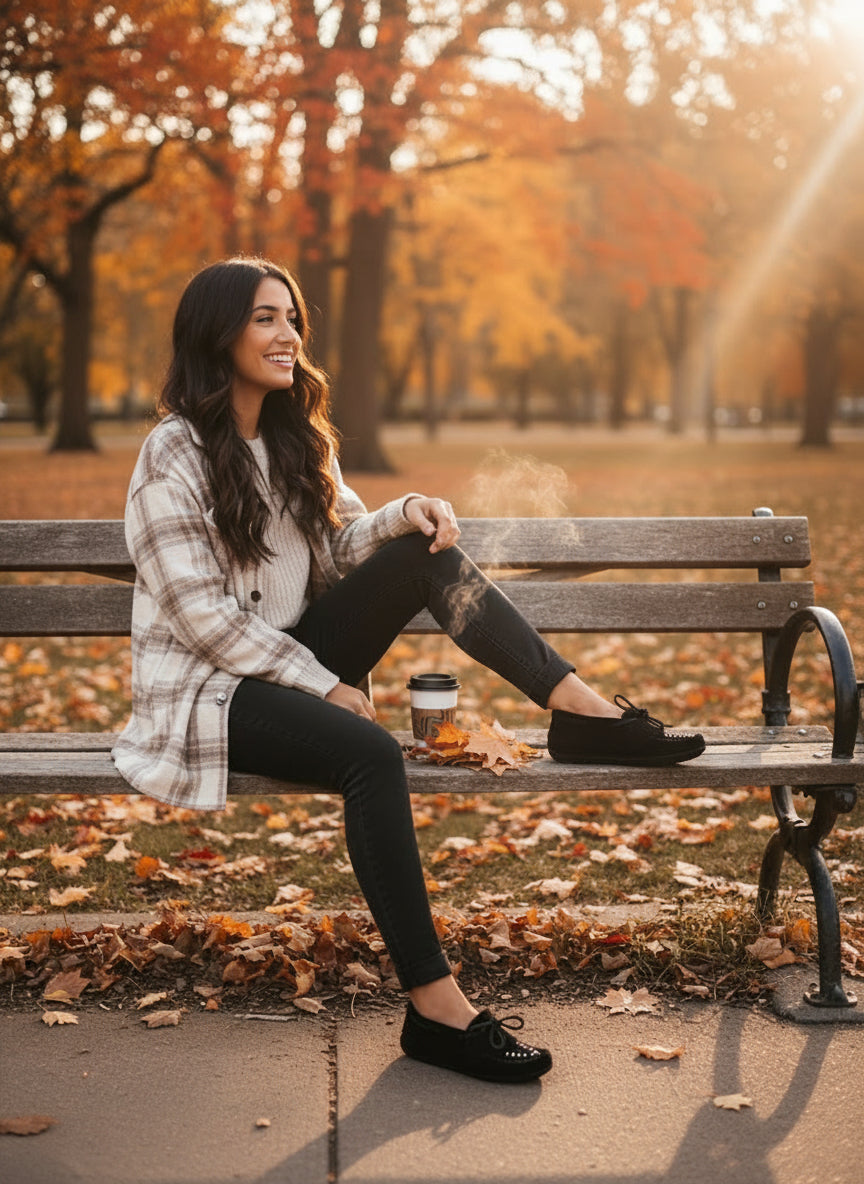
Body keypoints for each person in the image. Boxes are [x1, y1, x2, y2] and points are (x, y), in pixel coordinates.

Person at [112, 257, 705, 1085]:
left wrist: (403, 513)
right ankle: (437, 1012)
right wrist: (320, 683)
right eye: (265, 319)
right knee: (373, 754)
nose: (289, 337)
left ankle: (583, 712)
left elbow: (342, 552)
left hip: (287, 664)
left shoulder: (293, 436)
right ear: (217, 333)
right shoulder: (171, 454)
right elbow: (202, 621)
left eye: (293, 320)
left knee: (427, 554)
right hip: (212, 693)